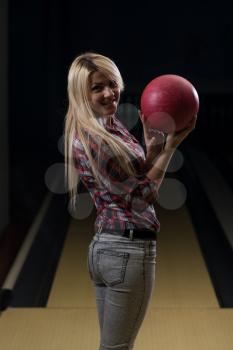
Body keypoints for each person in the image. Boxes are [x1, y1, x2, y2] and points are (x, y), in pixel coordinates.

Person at [64, 52, 196, 350]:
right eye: (97, 88)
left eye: (112, 83)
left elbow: (129, 182)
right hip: (127, 253)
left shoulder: (107, 125)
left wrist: (150, 151)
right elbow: (142, 197)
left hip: (107, 250)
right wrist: (171, 148)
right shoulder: (94, 138)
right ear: (81, 93)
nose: (109, 93)